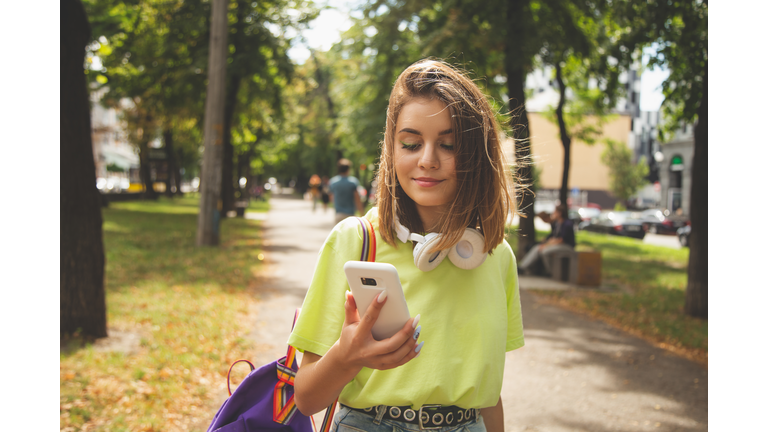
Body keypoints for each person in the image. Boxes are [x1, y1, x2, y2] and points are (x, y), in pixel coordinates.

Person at [289, 59, 524, 432]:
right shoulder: (354, 241)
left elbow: (489, 396)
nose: (427, 160)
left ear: (477, 156)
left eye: (448, 145)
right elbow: (306, 398)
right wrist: (346, 358)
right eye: (411, 143)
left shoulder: (497, 258)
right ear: (392, 149)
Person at [517, 204, 576, 276]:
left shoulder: (567, 224)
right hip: (559, 245)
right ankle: (522, 267)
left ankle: (550, 272)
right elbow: (553, 236)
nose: (553, 214)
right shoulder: (558, 224)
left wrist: (547, 245)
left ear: (560, 213)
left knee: (544, 251)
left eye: (555, 212)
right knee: (537, 247)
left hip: (567, 246)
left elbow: (562, 240)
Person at [328, 159, 365, 224]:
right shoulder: (353, 182)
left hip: (338, 214)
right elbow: (357, 199)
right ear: (348, 169)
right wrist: (362, 213)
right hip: (350, 216)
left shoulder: (333, 182)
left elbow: (331, 198)